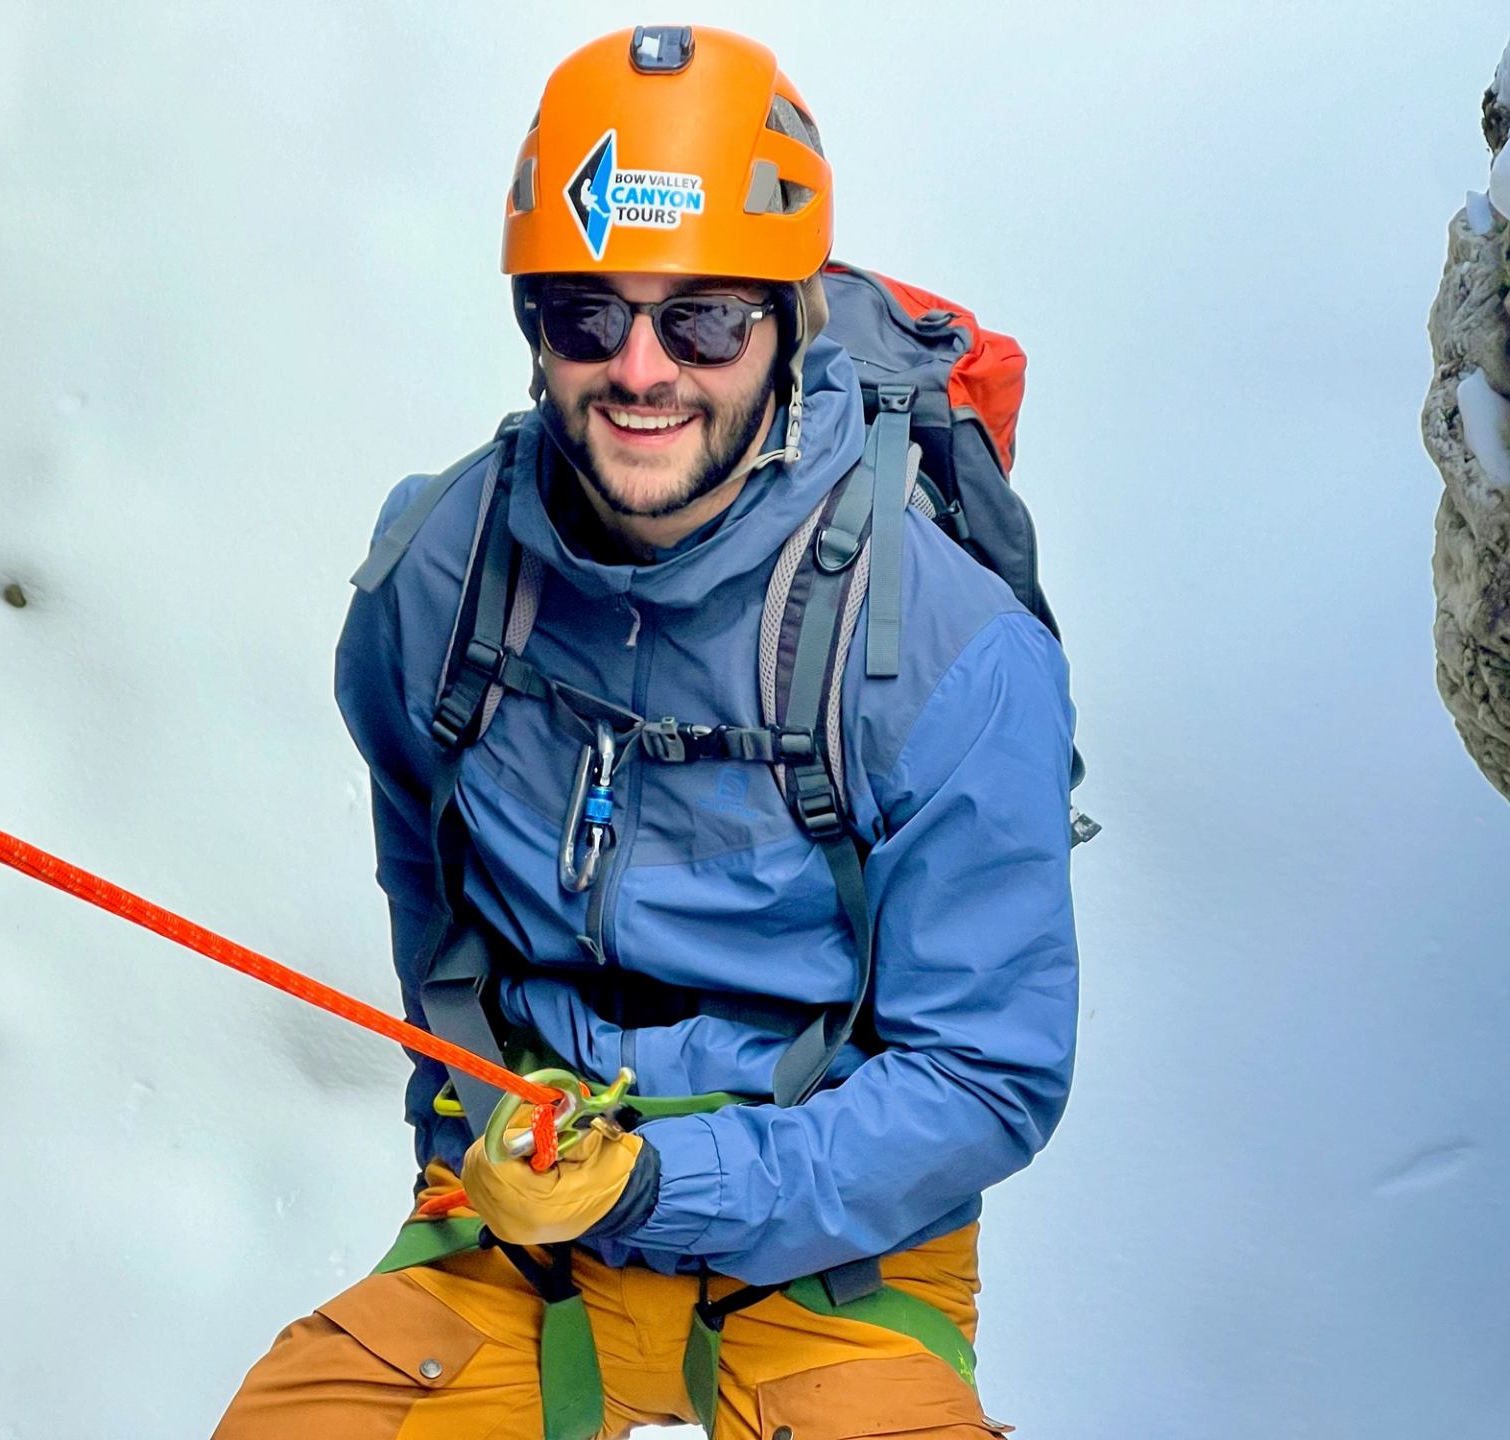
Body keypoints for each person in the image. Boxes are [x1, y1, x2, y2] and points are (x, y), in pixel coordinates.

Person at [216, 24, 1077, 1440]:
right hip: (519, 1224)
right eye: (583, 312)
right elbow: (432, 903)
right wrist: (478, 1137)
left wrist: (666, 1190)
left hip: (837, 1260)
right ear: (530, 321)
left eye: (705, 319)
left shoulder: (946, 648)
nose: (640, 368)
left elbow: (985, 1076)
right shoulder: (433, 578)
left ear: (787, 323)